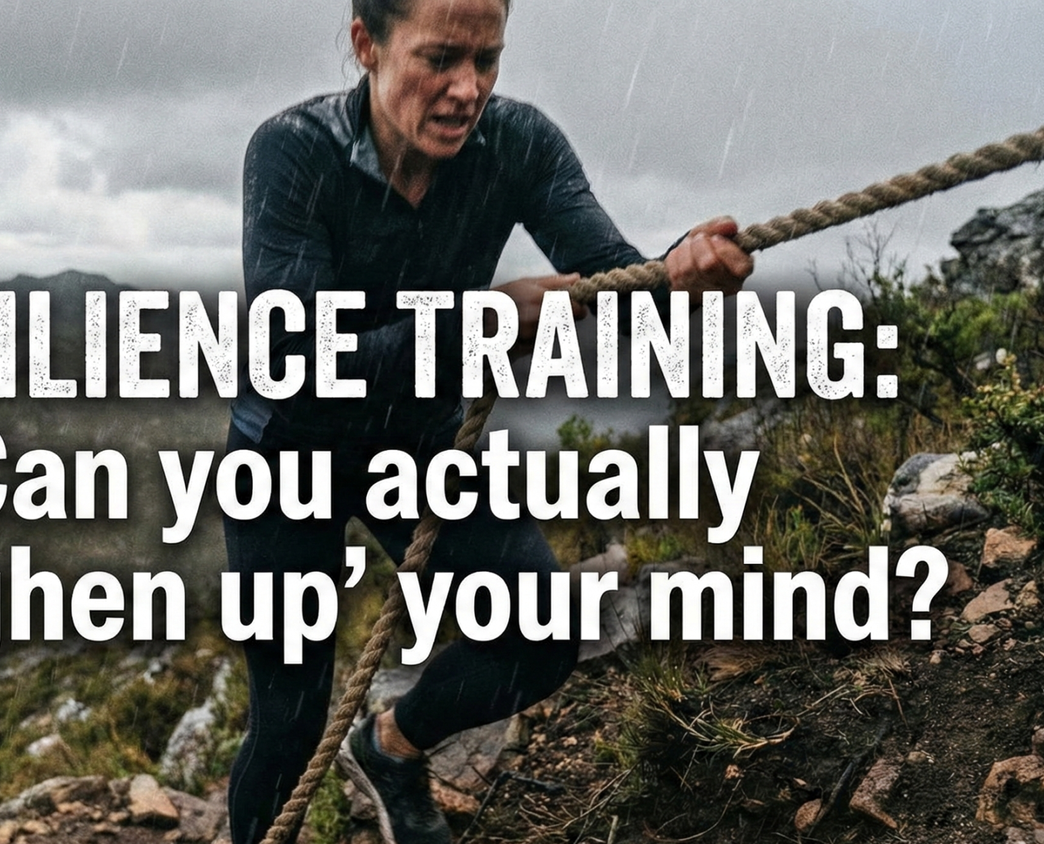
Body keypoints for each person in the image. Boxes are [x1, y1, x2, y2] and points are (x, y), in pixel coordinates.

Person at [223, 0, 753, 842]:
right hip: (289, 443)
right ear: (366, 43)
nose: (467, 89)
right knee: (287, 722)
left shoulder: (520, 143)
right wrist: (479, 321)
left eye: (488, 60)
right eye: (440, 58)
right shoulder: (292, 151)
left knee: (542, 637)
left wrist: (680, 268)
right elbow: (301, 356)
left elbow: (613, 283)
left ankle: (391, 746)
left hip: (420, 434)